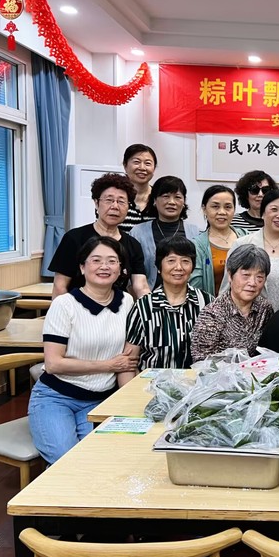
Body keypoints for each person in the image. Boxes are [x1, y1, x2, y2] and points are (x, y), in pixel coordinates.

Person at [29, 237, 138, 465]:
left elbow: (126, 361)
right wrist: (107, 365)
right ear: (82, 267)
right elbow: (53, 364)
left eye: (112, 261)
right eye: (96, 260)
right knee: (66, 461)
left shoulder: (127, 302)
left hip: (100, 400)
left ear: (121, 268)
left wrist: (131, 405)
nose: (104, 266)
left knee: (102, 461)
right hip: (57, 398)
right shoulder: (64, 305)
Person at [122, 237, 214, 378]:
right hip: (151, 386)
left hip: (197, 385)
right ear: (159, 267)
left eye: (185, 261)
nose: (178, 267)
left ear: (192, 267)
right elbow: (129, 362)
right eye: (171, 261)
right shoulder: (143, 307)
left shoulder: (208, 303)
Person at [49, 173, 149, 298]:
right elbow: (60, 285)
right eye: (109, 200)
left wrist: (151, 307)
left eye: (121, 201)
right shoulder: (74, 238)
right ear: (96, 203)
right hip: (78, 306)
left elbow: (141, 286)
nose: (115, 206)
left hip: (117, 307)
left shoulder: (133, 244)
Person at [223, 189, 279, 311]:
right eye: (274, 209)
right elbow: (226, 289)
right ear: (262, 213)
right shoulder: (242, 244)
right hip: (248, 318)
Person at [191, 244, 274, 361]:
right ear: (230, 275)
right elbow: (200, 361)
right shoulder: (212, 314)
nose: (252, 283)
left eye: (259, 277)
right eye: (246, 275)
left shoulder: (265, 309)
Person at [129, 176, 200, 289]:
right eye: (165, 196)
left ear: (184, 202)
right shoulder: (138, 232)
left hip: (187, 296)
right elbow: (132, 274)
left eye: (177, 197)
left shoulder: (195, 232)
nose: (171, 202)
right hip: (148, 295)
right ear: (154, 200)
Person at [190, 185, 246, 294]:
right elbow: (195, 287)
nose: (222, 212)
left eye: (228, 207)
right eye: (215, 206)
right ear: (204, 209)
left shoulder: (247, 238)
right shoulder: (197, 246)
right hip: (210, 303)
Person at [118, 144, 157, 233]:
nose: (142, 168)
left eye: (148, 163)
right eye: (136, 162)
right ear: (125, 165)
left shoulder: (159, 197)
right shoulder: (114, 198)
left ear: (154, 168)